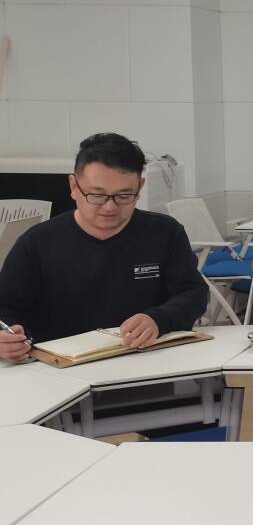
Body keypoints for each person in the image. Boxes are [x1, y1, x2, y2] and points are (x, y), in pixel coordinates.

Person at [0, 132, 207, 360]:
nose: (110, 207)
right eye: (97, 195)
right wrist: (7, 338)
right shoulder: (36, 243)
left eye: (124, 195)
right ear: (74, 186)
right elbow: (6, 308)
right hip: (61, 369)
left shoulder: (164, 233)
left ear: (140, 187)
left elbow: (194, 293)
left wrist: (159, 319)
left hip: (147, 361)